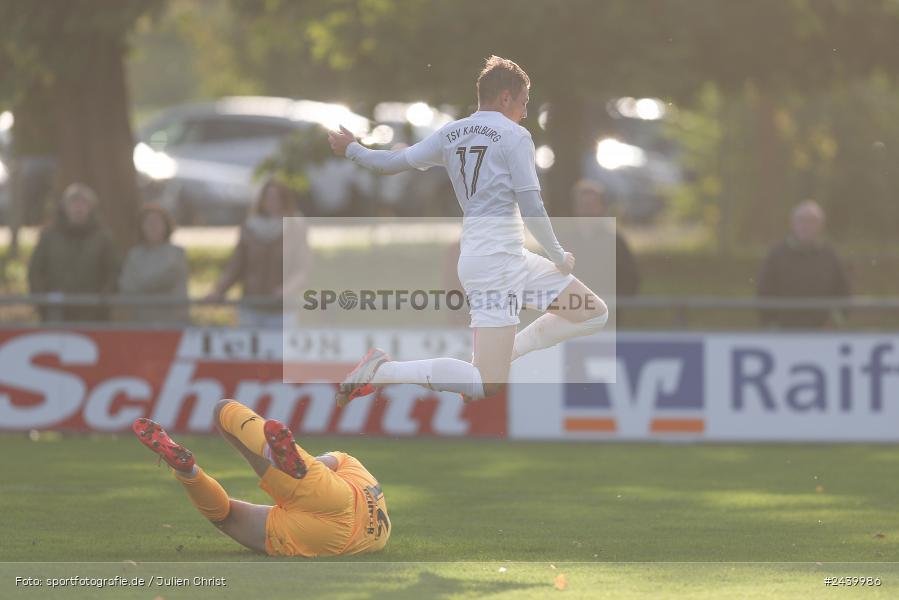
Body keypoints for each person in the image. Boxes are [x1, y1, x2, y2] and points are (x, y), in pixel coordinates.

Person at [327, 55, 608, 404]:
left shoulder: (451, 132)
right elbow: (533, 207)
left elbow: (390, 163)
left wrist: (352, 149)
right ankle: (383, 371)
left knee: (592, 313)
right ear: (505, 97)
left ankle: (493, 361)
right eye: (523, 102)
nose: (524, 111)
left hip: (507, 257)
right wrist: (559, 256)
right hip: (495, 266)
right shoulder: (514, 135)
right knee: (485, 386)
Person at [132, 399, 390, 557]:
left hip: (333, 495)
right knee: (228, 517)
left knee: (223, 409)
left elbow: (318, 465)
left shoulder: (350, 464)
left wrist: (285, 468)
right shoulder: (352, 470)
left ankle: (191, 469)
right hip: (345, 541)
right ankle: (189, 472)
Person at [208, 179, 312, 328]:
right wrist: (218, 290)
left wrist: (289, 288)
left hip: (281, 308)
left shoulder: (295, 227)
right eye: (268, 197)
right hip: (252, 305)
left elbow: (302, 267)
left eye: (277, 198)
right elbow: (236, 266)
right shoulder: (250, 228)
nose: (272, 202)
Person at [27, 182, 119, 322]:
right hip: (55, 312)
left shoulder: (103, 237)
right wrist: (43, 299)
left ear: (91, 207)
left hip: (93, 314)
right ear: (64, 207)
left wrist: (103, 300)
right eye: (74, 202)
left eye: (83, 203)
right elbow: (35, 271)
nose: (78, 207)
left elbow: (113, 270)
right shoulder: (49, 236)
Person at [757, 200, 850, 329]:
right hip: (784, 332)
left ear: (821, 225)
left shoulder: (830, 255)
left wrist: (836, 320)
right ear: (792, 223)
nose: (806, 225)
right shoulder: (776, 254)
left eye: (812, 221)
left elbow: (843, 290)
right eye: (801, 220)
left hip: (822, 333)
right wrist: (771, 323)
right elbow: (764, 291)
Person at [567, 179, 640, 298]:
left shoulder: (616, 243)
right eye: (583, 205)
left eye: (592, 205)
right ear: (575, 208)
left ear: (602, 208)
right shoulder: (564, 243)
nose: (588, 210)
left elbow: (630, 281)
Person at [118, 204, 189, 323]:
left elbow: (166, 278)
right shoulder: (134, 254)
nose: (153, 226)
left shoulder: (177, 253)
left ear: (166, 225)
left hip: (171, 322)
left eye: (157, 222)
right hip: (140, 322)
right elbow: (126, 285)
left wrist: (141, 286)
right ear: (141, 227)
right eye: (148, 222)